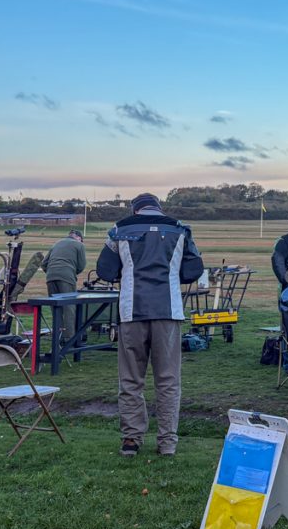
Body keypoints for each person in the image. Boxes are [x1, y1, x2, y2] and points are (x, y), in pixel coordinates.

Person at [96, 193, 203, 457]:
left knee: (131, 379)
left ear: (135, 210)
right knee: (168, 381)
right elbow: (193, 270)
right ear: (159, 208)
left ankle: (131, 439)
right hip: (168, 312)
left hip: (132, 311)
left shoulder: (119, 230)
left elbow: (104, 271)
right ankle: (167, 442)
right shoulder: (179, 229)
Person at [41, 229, 87, 344]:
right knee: (69, 307)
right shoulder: (79, 245)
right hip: (67, 277)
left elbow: (43, 264)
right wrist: (70, 272)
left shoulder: (57, 243)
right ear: (79, 238)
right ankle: (69, 339)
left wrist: (52, 271)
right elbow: (81, 265)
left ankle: (57, 335)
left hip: (50, 277)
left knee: (55, 307)